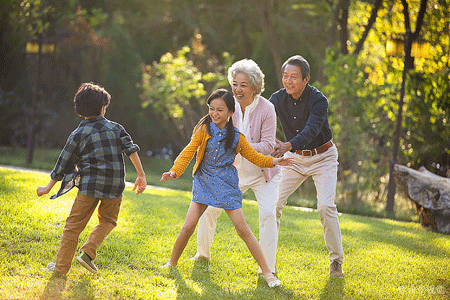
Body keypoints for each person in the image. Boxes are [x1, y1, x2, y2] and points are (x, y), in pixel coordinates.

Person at [160, 89, 293, 287]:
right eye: (211, 109)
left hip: (226, 184)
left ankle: (268, 273)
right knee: (188, 226)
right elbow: (189, 151)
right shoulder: (204, 130)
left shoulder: (237, 137)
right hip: (204, 181)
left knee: (243, 230)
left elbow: (254, 157)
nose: (214, 113)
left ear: (231, 112)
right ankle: (171, 263)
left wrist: (274, 161)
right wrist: (174, 171)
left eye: (220, 110)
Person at [37, 82, 147, 276]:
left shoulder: (78, 133)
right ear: (103, 108)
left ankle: (61, 268)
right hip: (114, 187)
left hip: (89, 186)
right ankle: (88, 252)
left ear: (79, 109)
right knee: (108, 221)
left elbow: (63, 162)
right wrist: (141, 175)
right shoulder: (116, 128)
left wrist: (48, 187)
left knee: (72, 228)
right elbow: (131, 150)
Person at [194, 59, 280, 274]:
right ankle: (202, 254)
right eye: (234, 83)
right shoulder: (226, 104)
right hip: (231, 172)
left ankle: (267, 267)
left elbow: (269, 145)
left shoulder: (267, 108)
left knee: (269, 214)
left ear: (254, 87)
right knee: (208, 207)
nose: (237, 89)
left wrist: (239, 145)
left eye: (243, 84)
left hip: (263, 174)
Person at [269, 55, 345, 277]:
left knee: (325, 206)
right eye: (285, 76)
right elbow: (260, 116)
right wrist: (270, 142)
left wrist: (287, 146)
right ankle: (267, 258)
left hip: (323, 158)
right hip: (294, 159)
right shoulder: (276, 99)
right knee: (273, 203)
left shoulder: (319, 101)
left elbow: (311, 130)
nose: (288, 81)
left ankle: (336, 262)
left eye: (294, 77)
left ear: (306, 79)